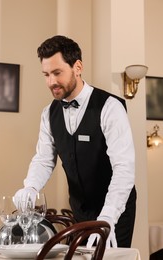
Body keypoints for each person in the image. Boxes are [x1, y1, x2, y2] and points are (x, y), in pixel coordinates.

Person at [14, 35, 136, 248]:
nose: (51, 82)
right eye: (46, 74)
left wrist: (108, 217)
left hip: (115, 210)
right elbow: (44, 159)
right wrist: (30, 187)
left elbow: (124, 168)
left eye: (57, 73)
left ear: (77, 67)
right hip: (79, 210)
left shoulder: (109, 107)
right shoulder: (48, 114)